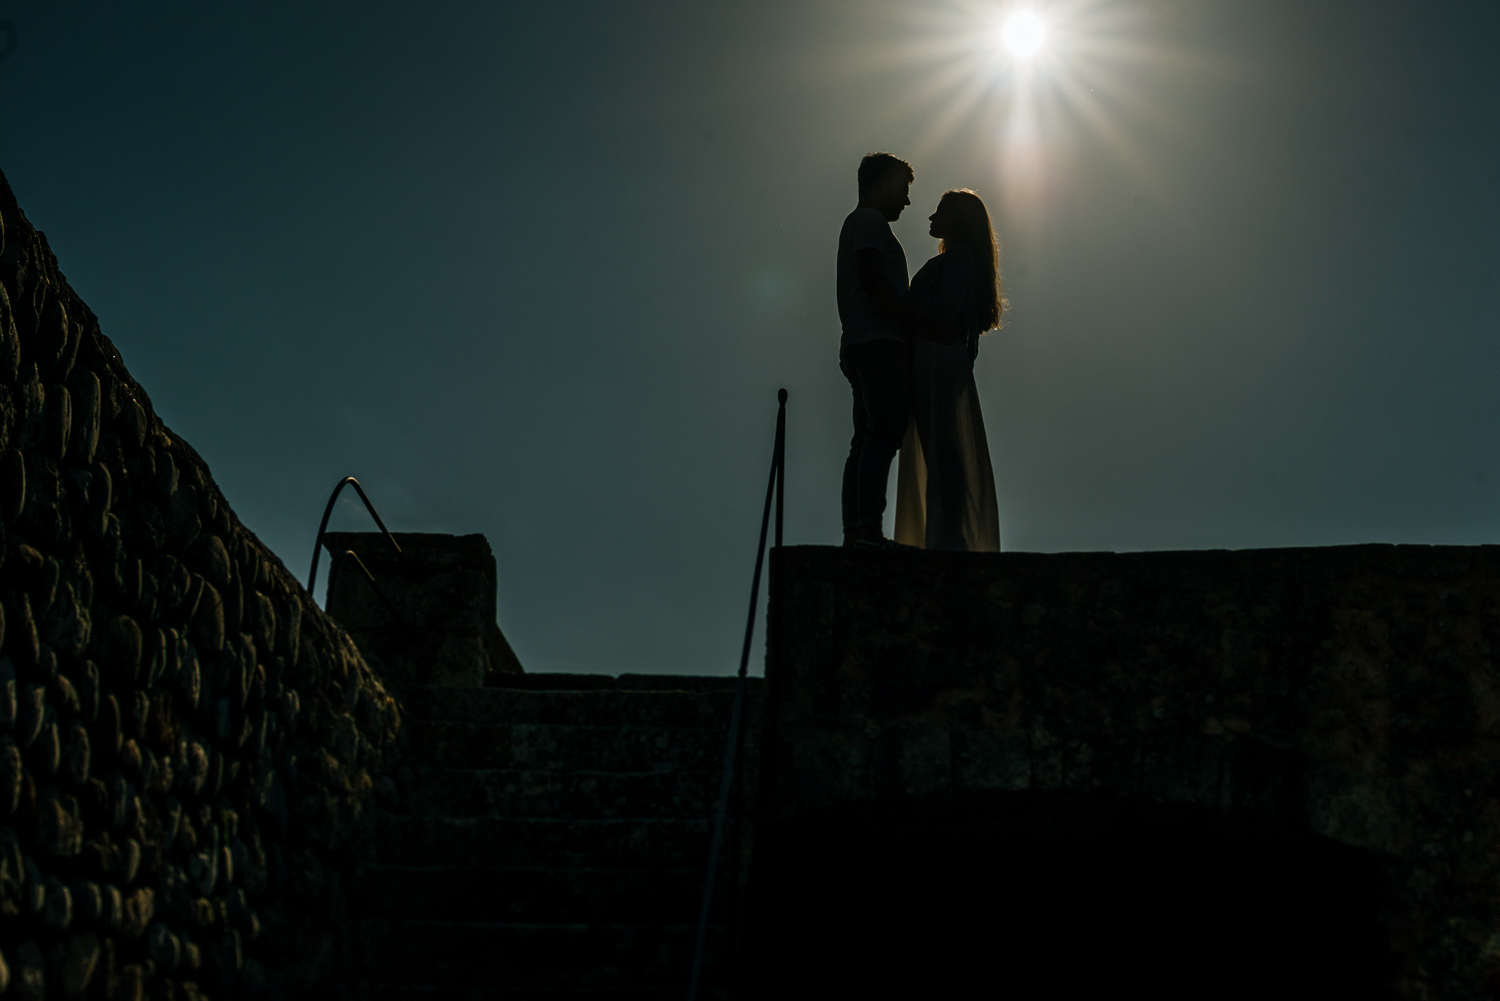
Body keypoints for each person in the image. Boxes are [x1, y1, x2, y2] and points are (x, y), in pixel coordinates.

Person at [891, 188, 1003, 552]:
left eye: (939, 210)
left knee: (942, 444)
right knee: (938, 443)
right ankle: (943, 534)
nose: (931, 217)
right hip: (932, 354)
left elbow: (943, 309)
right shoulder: (957, 258)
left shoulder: (959, 257)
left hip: (938, 355)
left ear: (956, 218)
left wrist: (899, 308)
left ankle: (949, 537)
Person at [837, 152, 915, 549]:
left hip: (859, 341)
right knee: (883, 432)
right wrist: (908, 315)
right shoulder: (870, 221)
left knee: (866, 437)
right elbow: (871, 280)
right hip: (878, 341)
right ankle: (868, 529)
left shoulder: (858, 222)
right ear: (883, 183)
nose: (906, 200)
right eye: (902, 189)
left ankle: (856, 531)